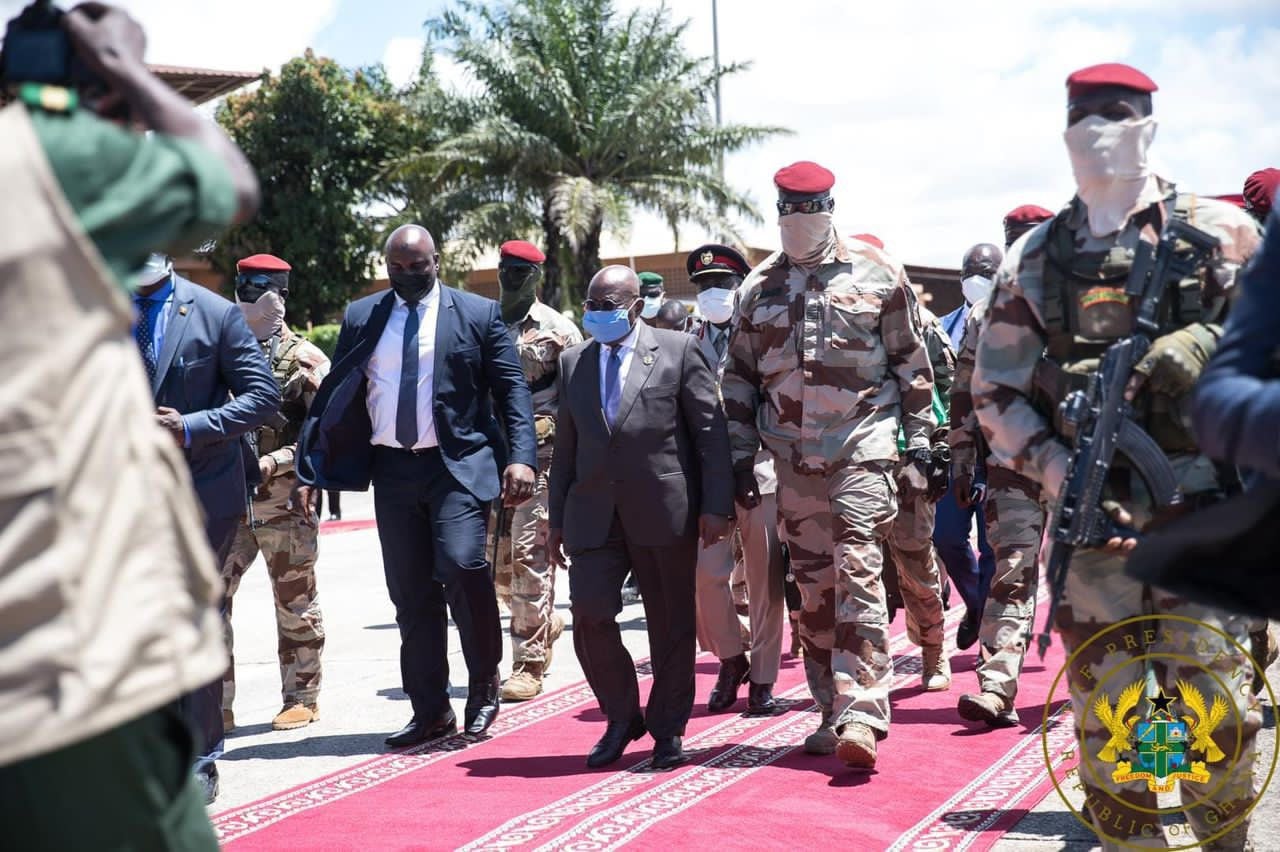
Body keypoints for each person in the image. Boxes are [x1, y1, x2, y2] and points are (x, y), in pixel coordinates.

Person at [972, 63, 1262, 850]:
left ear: (1148, 127)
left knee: (1219, 713)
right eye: (1083, 117)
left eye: (1116, 114)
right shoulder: (1036, 258)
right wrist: (1057, 468)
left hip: (1202, 511)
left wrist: (1205, 345)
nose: (1097, 131)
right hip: (1093, 527)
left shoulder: (1224, 234)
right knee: (1113, 721)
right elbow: (994, 392)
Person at [0, 2, 258, 845]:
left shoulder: (208, 312)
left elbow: (257, 394)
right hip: (58, 653)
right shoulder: (54, 160)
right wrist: (129, 72)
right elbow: (227, 182)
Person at [721, 161, 936, 770]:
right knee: (814, 589)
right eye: (789, 208)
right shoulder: (758, 288)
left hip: (863, 446)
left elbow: (912, 365)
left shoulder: (878, 271)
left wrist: (922, 444)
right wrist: (739, 457)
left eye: (809, 208)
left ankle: (863, 709)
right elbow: (738, 381)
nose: (799, 217)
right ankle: (828, 708)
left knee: (859, 570)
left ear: (829, 208)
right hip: (792, 461)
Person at [295, 224, 536, 746]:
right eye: (396, 267)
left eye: (416, 266)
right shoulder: (363, 315)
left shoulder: (477, 314)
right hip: (392, 470)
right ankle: (430, 710)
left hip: (457, 466)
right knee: (410, 592)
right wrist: (311, 467)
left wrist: (522, 459)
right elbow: (337, 394)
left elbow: (512, 391)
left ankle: (484, 685)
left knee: (462, 564)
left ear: (436, 261)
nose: (406, 275)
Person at [547, 265, 733, 770]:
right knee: (590, 614)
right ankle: (622, 715)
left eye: (606, 307)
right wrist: (556, 519)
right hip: (593, 514)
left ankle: (668, 729)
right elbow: (566, 449)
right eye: (590, 305)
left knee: (670, 625)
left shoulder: (678, 350)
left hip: (663, 511)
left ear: (634, 307)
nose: (595, 314)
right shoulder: (573, 362)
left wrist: (717, 507)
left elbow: (710, 436)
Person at [139, 246, 279, 800]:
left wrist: (192, 425)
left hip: (199, 491)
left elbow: (263, 397)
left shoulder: (214, 313)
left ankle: (200, 755)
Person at [221, 253, 330, 733]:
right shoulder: (221, 352)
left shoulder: (307, 360)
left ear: (281, 295)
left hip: (283, 500)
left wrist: (276, 461)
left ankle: (301, 696)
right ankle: (214, 704)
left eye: (258, 287)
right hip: (227, 502)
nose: (246, 295)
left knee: (294, 603)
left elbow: (323, 434)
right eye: (242, 285)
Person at [950, 230, 1048, 728]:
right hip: (1012, 464)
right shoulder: (986, 314)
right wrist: (962, 457)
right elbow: (965, 390)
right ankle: (996, 687)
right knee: (1010, 574)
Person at [686, 244, 787, 715]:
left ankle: (763, 679)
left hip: (761, 468)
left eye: (722, 284)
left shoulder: (765, 331)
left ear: (741, 285)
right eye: (705, 285)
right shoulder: (686, 337)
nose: (713, 292)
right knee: (706, 576)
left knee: (766, 582)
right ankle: (731, 658)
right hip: (709, 475)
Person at [492, 239, 582, 701]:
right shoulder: (483, 322)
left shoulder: (558, 331)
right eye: (506, 269)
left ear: (536, 277)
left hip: (541, 462)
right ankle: (544, 622)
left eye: (521, 272)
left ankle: (527, 664)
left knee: (530, 558)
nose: (511, 278)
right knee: (494, 566)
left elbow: (581, 400)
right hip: (491, 461)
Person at [885, 268, 953, 690]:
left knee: (915, 560)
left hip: (912, 458)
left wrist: (941, 449)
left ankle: (932, 651)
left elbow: (949, 386)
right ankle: (867, 666)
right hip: (857, 460)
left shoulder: (922, 324)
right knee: (856, 567)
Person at [933, 244, 1003, 650]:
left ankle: (992, 634)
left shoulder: (1012, 323)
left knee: (993, 545)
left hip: (996, 451)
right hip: (952, 450)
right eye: (971, 271)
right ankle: (977, 603)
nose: (977, 279)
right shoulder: (942, 327)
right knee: (945, 537)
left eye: (987, 272)